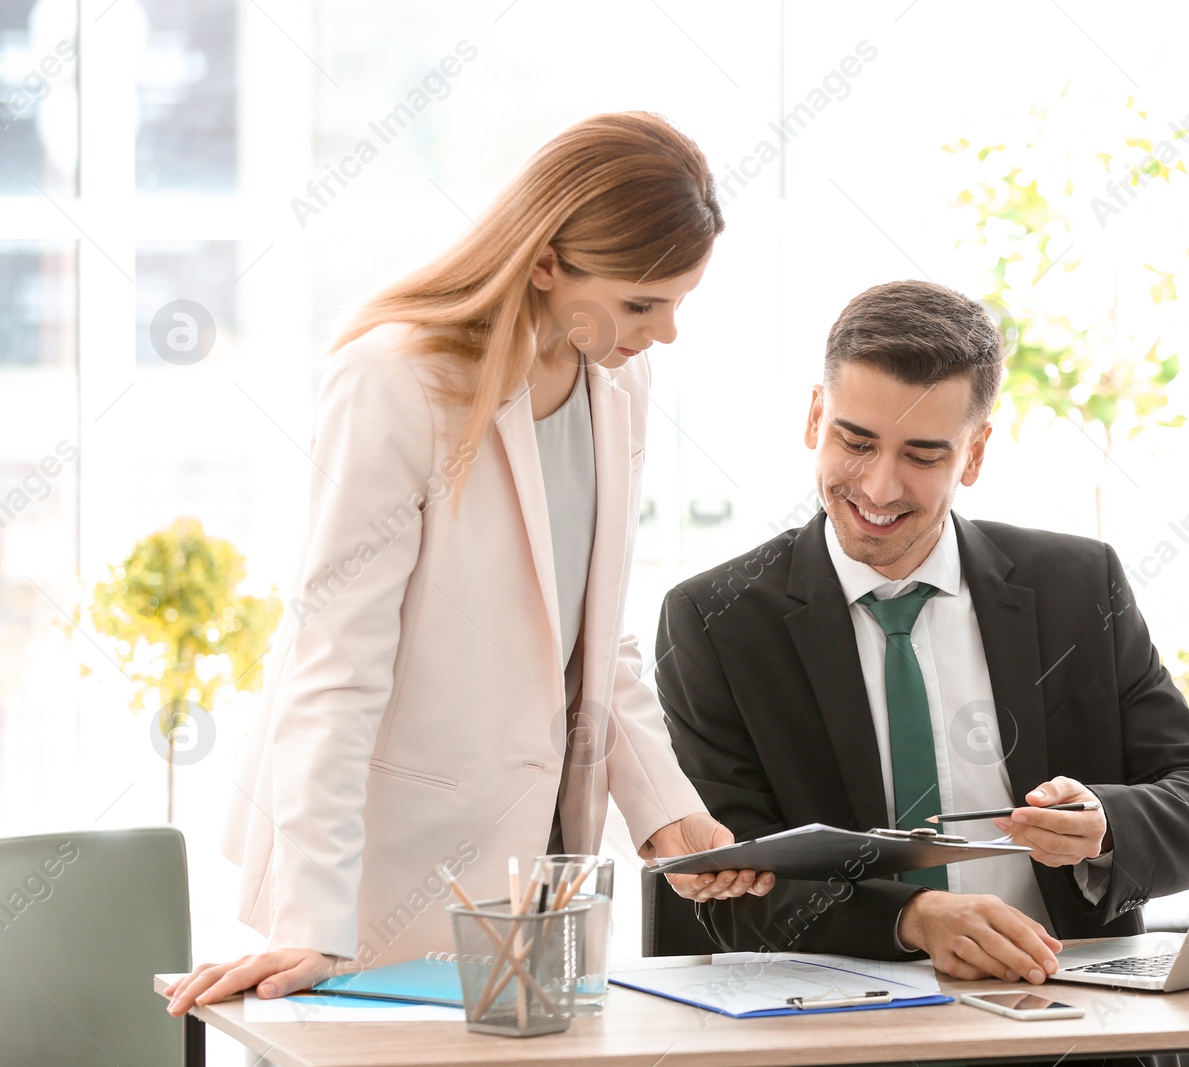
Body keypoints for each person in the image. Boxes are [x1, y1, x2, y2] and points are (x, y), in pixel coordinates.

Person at [166, 112, 772, 1017]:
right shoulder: (396, 378)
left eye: (681, 301)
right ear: (544, 264)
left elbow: (591, 634)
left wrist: (665, 811)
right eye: (645, 303)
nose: (669, 332)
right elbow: (337, 663)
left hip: (549, 877)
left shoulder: (618, 377)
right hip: (384, 874)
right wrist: (312, 919)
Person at [655, 279, 1189, 984]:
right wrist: (912, 918)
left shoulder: (1078, 584)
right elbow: (731, 884)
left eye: (924, 455)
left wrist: (1106, 825)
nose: (878, 487)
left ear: (975, 452)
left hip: (1072, 1022)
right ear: (817, 416)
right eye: (856, 440)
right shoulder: (716, 620)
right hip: (851, 1036)